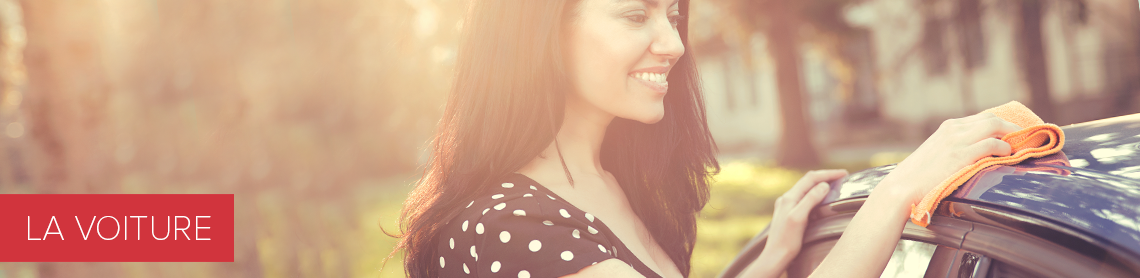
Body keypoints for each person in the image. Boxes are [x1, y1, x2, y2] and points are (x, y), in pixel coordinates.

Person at [389, 0, 1023, 277]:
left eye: (671, 15)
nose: (673, 44)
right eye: (635, 15)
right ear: (540, 33)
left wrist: (768, 258)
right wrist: (899, 189)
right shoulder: (509, 227)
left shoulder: (611, 183)